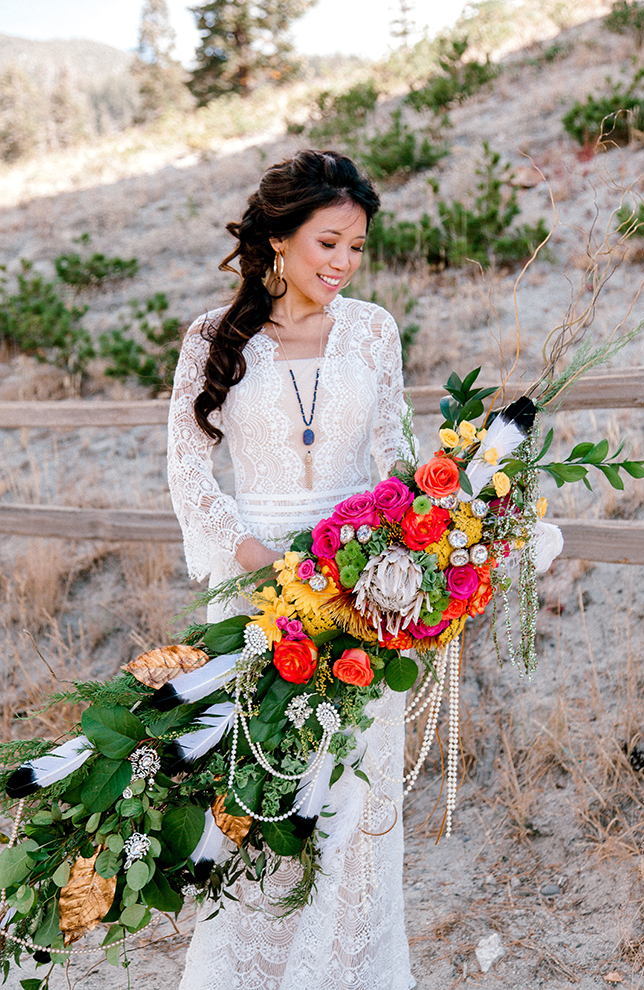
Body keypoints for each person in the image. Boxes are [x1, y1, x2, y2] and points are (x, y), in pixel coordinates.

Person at [167, 149, 416, 990]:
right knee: (264, 791)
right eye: (328, 243)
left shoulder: (373, 331)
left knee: (352, 797)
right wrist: (262, 564)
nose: (344, 263)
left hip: (358, 594)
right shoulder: (214, 338)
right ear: (278, 238)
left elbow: (398, 462)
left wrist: (391, 566)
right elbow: (189, 472)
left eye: (357, 247)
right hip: (256, 591)